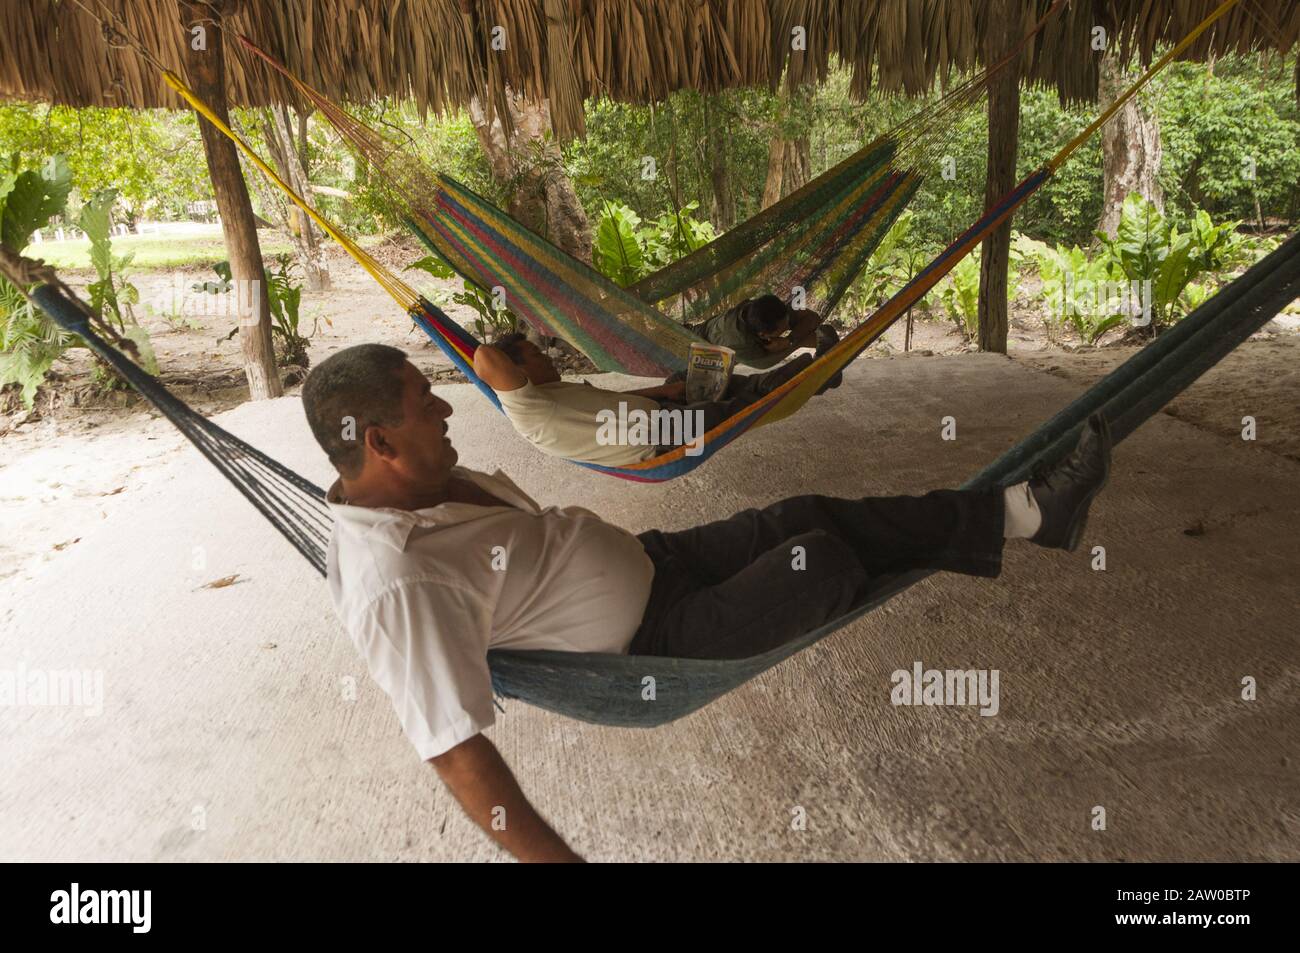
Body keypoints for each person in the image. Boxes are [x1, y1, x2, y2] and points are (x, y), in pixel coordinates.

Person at [301, 344, 1112, 863]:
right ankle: (1011, 520)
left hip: (658, 560)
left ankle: (1024, 515)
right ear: (379, 443)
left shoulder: (415, 487)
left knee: (804, 514)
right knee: (822, 561)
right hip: (660, 644)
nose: (447, 408)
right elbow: (452, 749)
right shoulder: (396, 584)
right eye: (423, 401)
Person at [473, 331, 840, 466]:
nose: (547, 357)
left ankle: (816, 378)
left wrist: (662, 391)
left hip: (660, 414)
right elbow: (484, 358)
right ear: (518, 369)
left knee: (688, 379)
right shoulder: (526, 407)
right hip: (664, 433)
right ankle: (820, 368)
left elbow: (609, 401)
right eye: (537, 356)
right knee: (752, 401)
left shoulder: (548, 394)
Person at [689, 293, 835, 370]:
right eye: (782, 329)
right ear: (764, 335)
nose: (787, 326)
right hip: (691, 348)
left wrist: (790, 338)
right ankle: (825, 350)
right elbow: (763, 364)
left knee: (797, 336)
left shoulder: (761, 309)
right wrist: (792, 342)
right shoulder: (741, 345)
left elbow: (813, 318)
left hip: (706, 333)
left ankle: (826, 346)